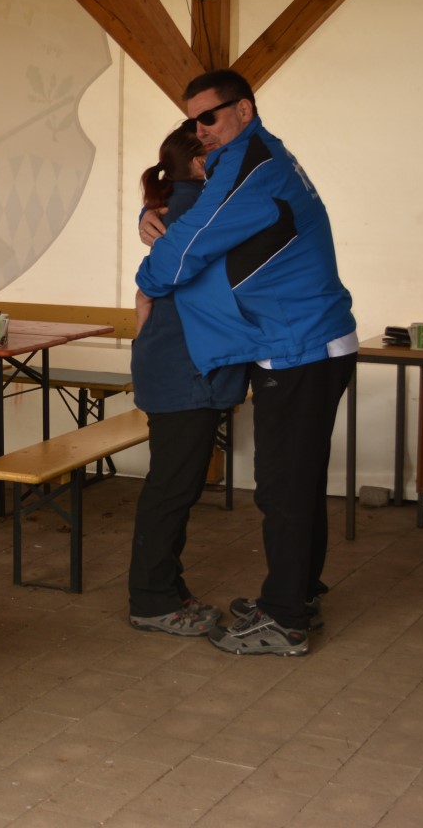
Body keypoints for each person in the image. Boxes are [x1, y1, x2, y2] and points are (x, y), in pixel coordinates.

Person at [135, 69, 357, 657]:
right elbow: (191, 219)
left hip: (299, 346)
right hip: (304, 341)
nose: (200, 129)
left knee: (283, 487)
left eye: (209, 116)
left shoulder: (249, 169)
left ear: (244, 109)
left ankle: (284, 619)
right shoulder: (254, 157)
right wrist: (151, 218)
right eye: (192, 121)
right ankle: (297, 595)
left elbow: (185, 250)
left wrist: (147, 275)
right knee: (296, 482)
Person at [127, 127, 248, 637]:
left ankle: (168, 589)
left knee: (177, 485)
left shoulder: (181, 210)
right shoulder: (202, 214)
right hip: (185, 370)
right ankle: (152, 600)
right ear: (200, 163)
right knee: (172, 488)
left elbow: (145, 295)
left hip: (177, 365)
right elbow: (149, 287)